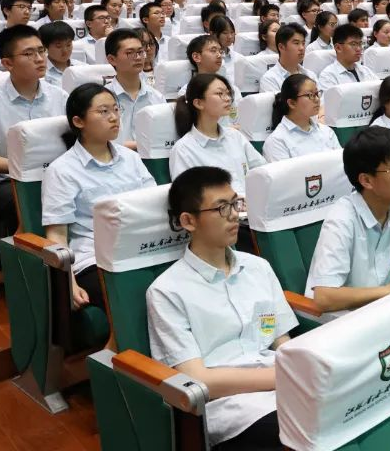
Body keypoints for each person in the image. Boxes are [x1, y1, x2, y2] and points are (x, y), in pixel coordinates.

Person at [147, 166, 296, 450]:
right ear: (188, 221)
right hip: (232, 407)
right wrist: (278, 377)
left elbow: (281, 340)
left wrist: (296, 372)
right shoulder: (167, 291)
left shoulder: (258, 267)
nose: (234, 216)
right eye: (221, 208)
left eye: (235, 203)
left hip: (283, 384)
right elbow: (196, 379)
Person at [304, 127, 390, 312]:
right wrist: (388, 291)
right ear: (366, 181)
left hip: (388, 310)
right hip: (346, 320)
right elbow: (324, 297)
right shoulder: (342, 220)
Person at [43, 83, 155, 312]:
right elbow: (56, 233)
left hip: (141, 247)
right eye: (103, 112)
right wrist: (68, 282)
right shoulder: (62, 170)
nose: (114, 117)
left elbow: (152, 203)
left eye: (116, 109)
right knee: (141, 300)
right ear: (78, 121)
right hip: (95, 259)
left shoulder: (130, 158)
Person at [0, 25, 69, 237]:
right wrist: (18, 168)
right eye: (29, 53)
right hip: (8, 181)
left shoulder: (60, 96)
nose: (39, 58)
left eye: (41, 51)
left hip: (58, 176)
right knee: (32, 199)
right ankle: (30, 260)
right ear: (7, 63)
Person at [170, 74, 265, 190]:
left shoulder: (235, 136)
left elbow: (262, 170)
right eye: (220, 94)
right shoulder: (183, 150)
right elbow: (188, 196)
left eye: (228, 93)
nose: (228, 98)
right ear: (199, 103)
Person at [104, 28, 165, 149]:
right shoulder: (102, 99)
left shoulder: (157, 97)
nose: (138, 57)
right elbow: (100, 140)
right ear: (112, 59)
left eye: (140, 52)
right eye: (130, 53)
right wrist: (142, 146)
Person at [262, 74, 340, 162]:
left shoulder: (326, 132)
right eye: (310, 95)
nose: (317, 99)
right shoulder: (277, 142)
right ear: (292, 103)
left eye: (317, 94)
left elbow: (340, 165)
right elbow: (284, 175)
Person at [317, 23, 378, 91]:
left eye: (360, 44)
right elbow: (328, 101)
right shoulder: (328, 76)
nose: (359, 49)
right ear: (338, 48)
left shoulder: (366, 71)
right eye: (353, 44)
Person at [258, 24, 316, 93]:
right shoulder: (270, 79)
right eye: (296, 43)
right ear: (281, 47)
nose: (302, 48)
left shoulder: (310, 75)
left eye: (303, 43)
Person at [39, 21, 75, 89]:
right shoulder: (40, 71)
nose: (65, 50)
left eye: (68, 45)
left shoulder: (82, 67)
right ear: (45, 47)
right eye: (58, 46)